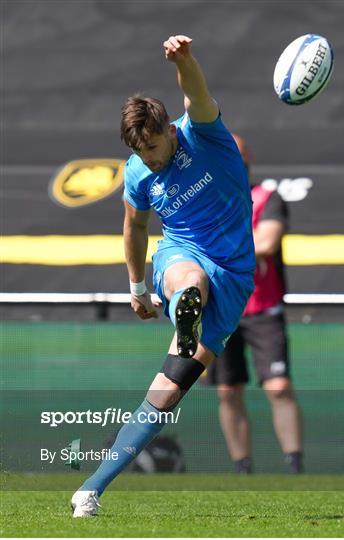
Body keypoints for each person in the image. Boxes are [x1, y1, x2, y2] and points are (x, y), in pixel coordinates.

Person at [71, 35, 255, 517]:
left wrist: (185, 59)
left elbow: (196, 93)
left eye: (154, 146)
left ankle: (90, 486)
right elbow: (134, 227)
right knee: (189, 278)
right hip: (181, 253)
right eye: (141, 152)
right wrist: (136, 288)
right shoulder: (138, 173)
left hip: (234, 274)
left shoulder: (203, 133)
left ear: (169, 130)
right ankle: (185, 305)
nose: (150, 158)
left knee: (166, 393)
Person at [203, 134, 304, 474]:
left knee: (278, 386)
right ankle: (242, 468)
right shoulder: (208, 202)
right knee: (228, 390)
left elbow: (267, 241)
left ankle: (294, 464)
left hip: (263, 307)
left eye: (239, 157)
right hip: (223, 308)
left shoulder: (267, 197)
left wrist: (218, 248)